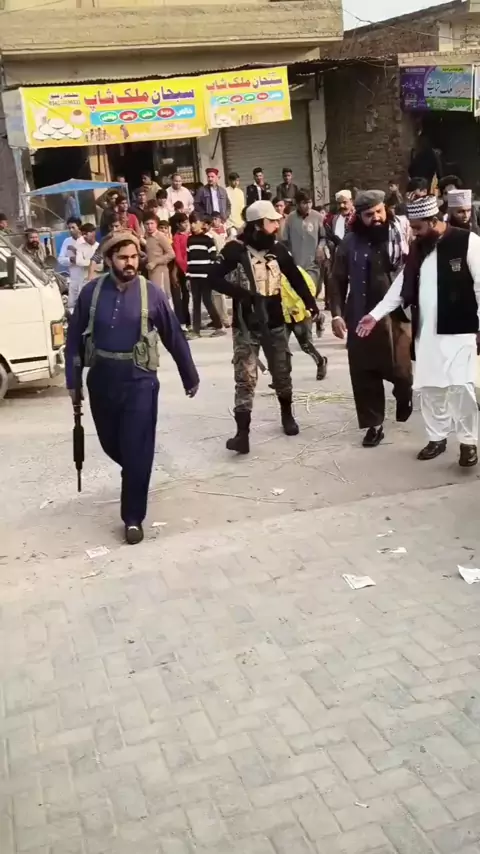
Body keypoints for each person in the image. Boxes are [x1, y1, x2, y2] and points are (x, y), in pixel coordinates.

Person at [65, 232, 199, 545]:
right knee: (112, 444)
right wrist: (73, 381)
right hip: (102, 380)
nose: (130, 263)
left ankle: (133, 518)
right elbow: (73, 339)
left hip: (140, 381)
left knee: (137, 448)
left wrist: (189, 375)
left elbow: (174, 335)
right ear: (109, 259)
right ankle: (136, 471)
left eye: (134, 257)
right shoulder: (91, 293)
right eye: (123, 257)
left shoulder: (152, 293)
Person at [357, 195, 480, 467]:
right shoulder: (419, 248)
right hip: (426, 332)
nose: (413, 232)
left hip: (460, 330)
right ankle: (437, 437)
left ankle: (468, 442)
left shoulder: (467, 242)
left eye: (417, 227)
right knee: (431, 388)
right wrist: (374, 315)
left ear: (433, 221)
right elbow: (400, 287)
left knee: (461, 388)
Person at [207, 200, 320, 453]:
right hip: (246, 327)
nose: (277, 226)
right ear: (258, 224)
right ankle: (242, 434)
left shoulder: (278, 250)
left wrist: (310, 303)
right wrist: (242, 294)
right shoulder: (234, 250)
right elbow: (212, 278)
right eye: (272, 222)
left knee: (282, 373)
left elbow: (295, 277)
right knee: (245, 379)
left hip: (276, 324)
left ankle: (287, 416)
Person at [329, 190, 412, 448]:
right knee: (364, 374)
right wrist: (336, 314)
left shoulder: (400, 236)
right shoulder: (349, 243)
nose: (376, 218)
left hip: (394, 316)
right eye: (369, 215)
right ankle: (374, 426)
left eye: (379, 212)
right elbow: (337, 279)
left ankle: (404, 395)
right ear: (359, 217)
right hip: (360, 316)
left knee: (401, 370)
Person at [282, 266, 327, 380]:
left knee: (306, 345)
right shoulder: (268, 274)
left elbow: (310, 288)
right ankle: (283, 375)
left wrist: (301, 306)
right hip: (282, 315)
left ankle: (320, 362)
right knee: (280, 346)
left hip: (300, 314)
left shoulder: (294, 270)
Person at [187, 213, 224, 338]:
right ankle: (196, 330)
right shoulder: (190, 239)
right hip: (194, 276)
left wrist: (211, 275)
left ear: (202, 224)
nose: (192, 225)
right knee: (195, 302)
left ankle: (219, 326)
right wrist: (188, 275)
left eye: (195, 222)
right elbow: (189, 259)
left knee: (207, 301)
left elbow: (213, 258)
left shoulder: (208, 239)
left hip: (205, 276)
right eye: (191, 222)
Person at [283, 190, 326, 296]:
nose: (308, 206)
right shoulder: (290, 218)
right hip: (296, 264)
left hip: (312, 263)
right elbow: (285, 241)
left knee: (311, 292)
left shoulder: (318, 217)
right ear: (297, 204)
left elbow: (323, 237)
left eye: (310, 202)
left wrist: (320, 248)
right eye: (304, 203)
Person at [66, 223, 99, 311]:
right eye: (82, 234)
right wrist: (93, 262)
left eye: (86, 233)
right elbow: (79, 261)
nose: (84, 236)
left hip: (98, 280)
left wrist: (87, 261)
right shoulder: (80, 247)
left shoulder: (99, 247)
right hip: (84, 281)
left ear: (93, 233)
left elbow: (102, 265)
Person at [144, 214, 175, 294]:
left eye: (152, 223)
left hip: (161, 272)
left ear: (156, 224)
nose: (149, 226)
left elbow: (171, 254)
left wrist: (155, 262)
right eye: (147, 224)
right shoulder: (148, 237)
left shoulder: (160, 236)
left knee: (162, 295)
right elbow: (153, 253)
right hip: (151, 271)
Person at [172, 213, 191, 330]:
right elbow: (178, 256)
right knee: (185, 296)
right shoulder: (177, 237)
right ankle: (185, 320)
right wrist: (185, 269)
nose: (186, 224)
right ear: (178, 224)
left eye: (186, 222)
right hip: (183, 269)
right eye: (183, 223)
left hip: (192, 268)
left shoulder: (189, 235)